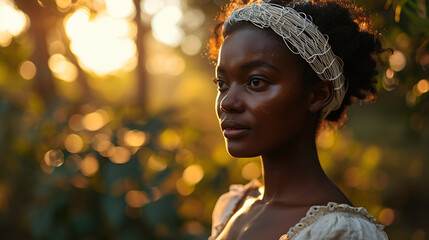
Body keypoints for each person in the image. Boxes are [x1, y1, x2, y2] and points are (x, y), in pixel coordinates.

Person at [208, 0, 389, 239]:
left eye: (256, 82)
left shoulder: (339, 233)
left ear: (317, 95)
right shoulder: (234, 206)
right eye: (222, 84)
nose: (227, 102)